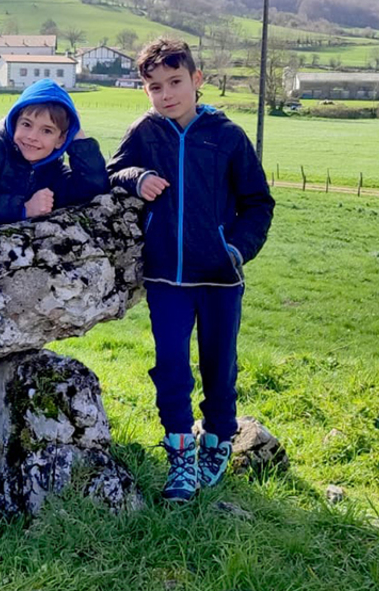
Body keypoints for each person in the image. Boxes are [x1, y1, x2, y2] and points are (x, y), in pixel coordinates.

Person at [107, 37, 275, 501]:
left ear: (197, 80)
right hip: (166, 277)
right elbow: (111, 172)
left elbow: (258, 202)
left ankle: (218, 441)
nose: (166, 94)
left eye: (175, 82)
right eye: (155, 87)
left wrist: (236, 249)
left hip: (221, 277)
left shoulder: (228, 136)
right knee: (172, 369)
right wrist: (137, 178)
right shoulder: (145, 132)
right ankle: (180, 453)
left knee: (219, 365)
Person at [0, 78, 107, 231]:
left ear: (61, 139)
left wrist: (79, 138)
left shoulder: (51, 168)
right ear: (14, 121)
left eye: (47, 131)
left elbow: (92, 188)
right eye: (26, 124)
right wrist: (23, 208)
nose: (32, 136)